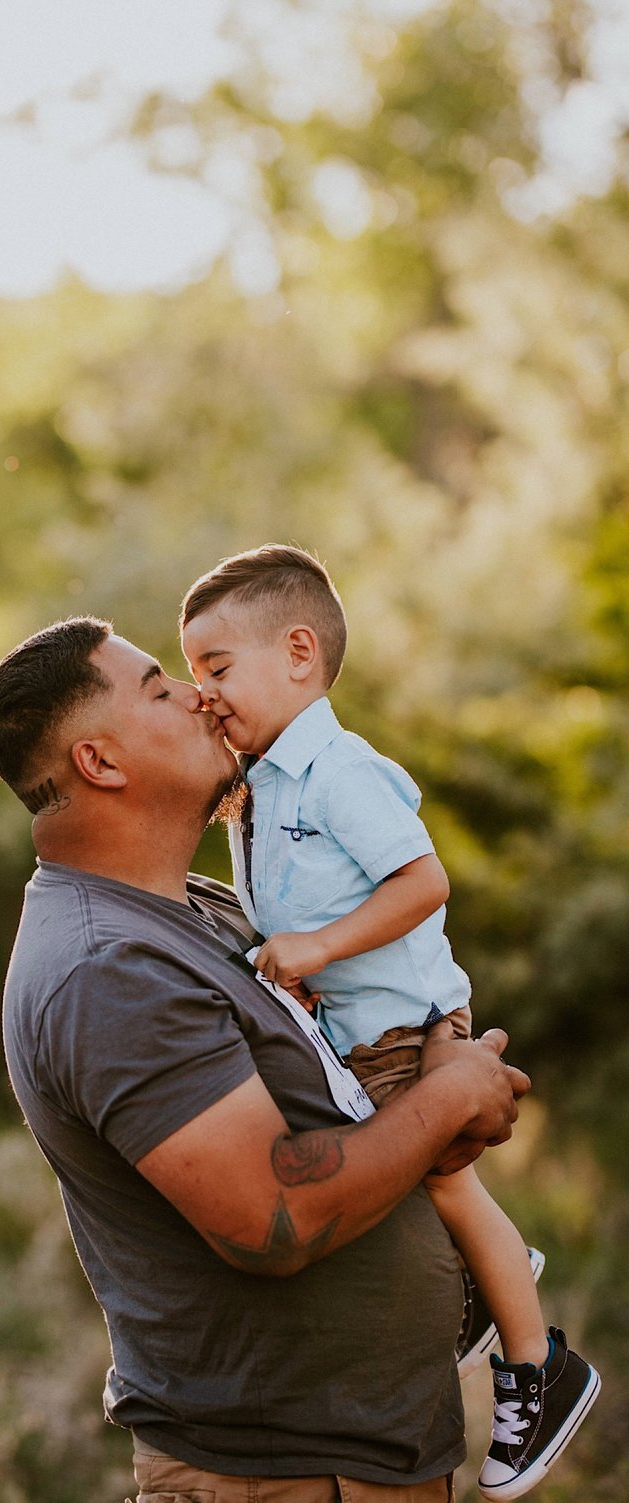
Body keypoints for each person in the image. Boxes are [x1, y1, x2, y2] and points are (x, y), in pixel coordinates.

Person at [0, 613, 534, 1503]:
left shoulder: (196, 908)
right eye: (161, 688)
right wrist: (447, 1104)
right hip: (277, 1477)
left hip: (365, 1456)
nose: (203, 696)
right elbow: (273, 1219)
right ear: (101, 762)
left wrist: (437, 1063)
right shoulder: (108, 968)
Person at [179, 545, 600, 1500]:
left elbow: (425, 880)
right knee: (407, 1181)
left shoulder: (339, 770)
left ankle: (538, 1364)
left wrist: (318, 948)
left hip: (404, 1025)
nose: (203, 693)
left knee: (442, 1184)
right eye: (193, 674)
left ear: (297, 653)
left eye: (216, 668)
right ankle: (483, 1292)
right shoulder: (269, 778)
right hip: (359, 1031)